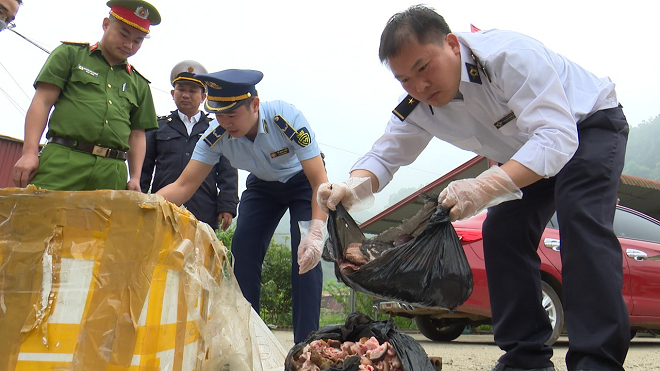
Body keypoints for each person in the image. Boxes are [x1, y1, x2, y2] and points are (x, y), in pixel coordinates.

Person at [318, 5, 629, 371]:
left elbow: (556, 138)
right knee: (501, 232)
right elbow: (386, 155)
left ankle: (597, 360)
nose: (419, 86)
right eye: (404, 80)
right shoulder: (418, 104)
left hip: (585, 128)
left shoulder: (508, 58)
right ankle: (525, 357)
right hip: (523, 155)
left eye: (423, 67)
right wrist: (352, 186)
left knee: (580, 220)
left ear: (452, 44)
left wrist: (484, 186)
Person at [156, 69, 328, 343]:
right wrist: (145, 205)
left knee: (305, 256)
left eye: (232, 115)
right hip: (262, 187)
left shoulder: (286, 118)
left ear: (254, 105)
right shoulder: (215, 136)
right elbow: (183, 186)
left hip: (303, 184)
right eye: (219, 115)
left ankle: (306, 345)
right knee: (243, 252)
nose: (225, 123)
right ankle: (249, 339)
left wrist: (316, 231)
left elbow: (319, 179)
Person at [12, 0, 160, 191]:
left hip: (112, 172)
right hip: (63, 160)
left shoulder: (139, 84)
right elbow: (42, 101)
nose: (128, 44)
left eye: (138, 40)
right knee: (43, 218)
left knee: (106, 222)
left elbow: (137, 135)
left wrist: (135, 177)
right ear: (106, 24)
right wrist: (29, 152)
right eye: (123, 34)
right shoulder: (70, 55)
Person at [140, 60, 239, 231]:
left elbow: (227, 170)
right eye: (181, 90)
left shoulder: (216, 130)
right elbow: (145, 167)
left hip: (203, 209)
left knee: (199, 256)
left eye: (192, 91)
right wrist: (138, 198)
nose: (186, 95)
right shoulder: (158, 126)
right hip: (163, 207)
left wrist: (227, 205)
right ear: (173, 93)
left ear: (203, 97)